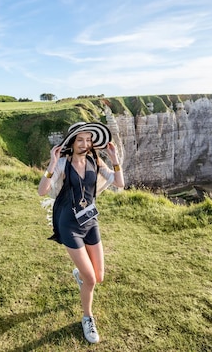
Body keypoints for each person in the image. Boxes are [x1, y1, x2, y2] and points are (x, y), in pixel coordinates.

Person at [38, 122, 125, 344]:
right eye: (80, 140)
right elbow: (42, 191)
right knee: (91, 280)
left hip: (90, 221)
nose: (85, 144)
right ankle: (87, 318)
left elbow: (120, 183)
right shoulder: (63, 164)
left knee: (99, 277)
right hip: (70, 225)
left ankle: (80, 275)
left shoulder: (94, 161)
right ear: (72, 142)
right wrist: (52, 163)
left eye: (88, 140)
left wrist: (114, 158)